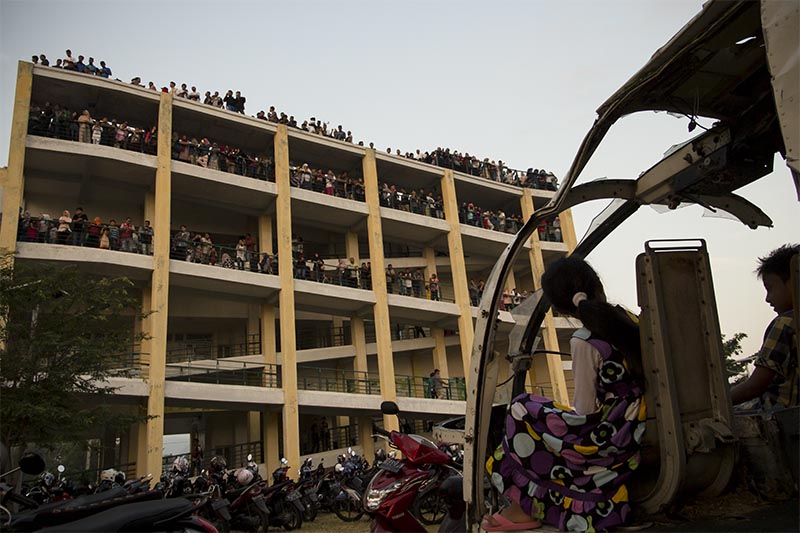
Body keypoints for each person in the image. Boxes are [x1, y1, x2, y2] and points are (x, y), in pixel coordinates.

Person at [483, 256, 646, 532]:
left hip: (612, 435)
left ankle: (524, 507)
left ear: (559, 307)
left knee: (521, 409)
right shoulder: (627, 319)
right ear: (598, 285)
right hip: (633, 422)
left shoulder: (585, 340)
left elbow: (583, 410)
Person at [731, 244, 798, 408]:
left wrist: (716, 402)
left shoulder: (785, 324)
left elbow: (754, 387)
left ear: (794, 281)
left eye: (770, 289)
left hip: (781, 418)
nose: (767, 299)